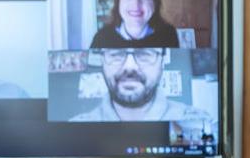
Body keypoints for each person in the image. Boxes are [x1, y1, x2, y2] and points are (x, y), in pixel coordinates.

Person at [69, 47, 211, 123]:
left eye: (144, 53)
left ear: (162, 62)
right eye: (116, 53)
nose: (130, 67)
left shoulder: (201, 122)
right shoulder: (73, 132)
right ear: (102, 60)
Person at [90, 0, 180, 48]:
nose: (136, 5)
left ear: (155, 3)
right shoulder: (102, 38)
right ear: (118, 2)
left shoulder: (168, 35)